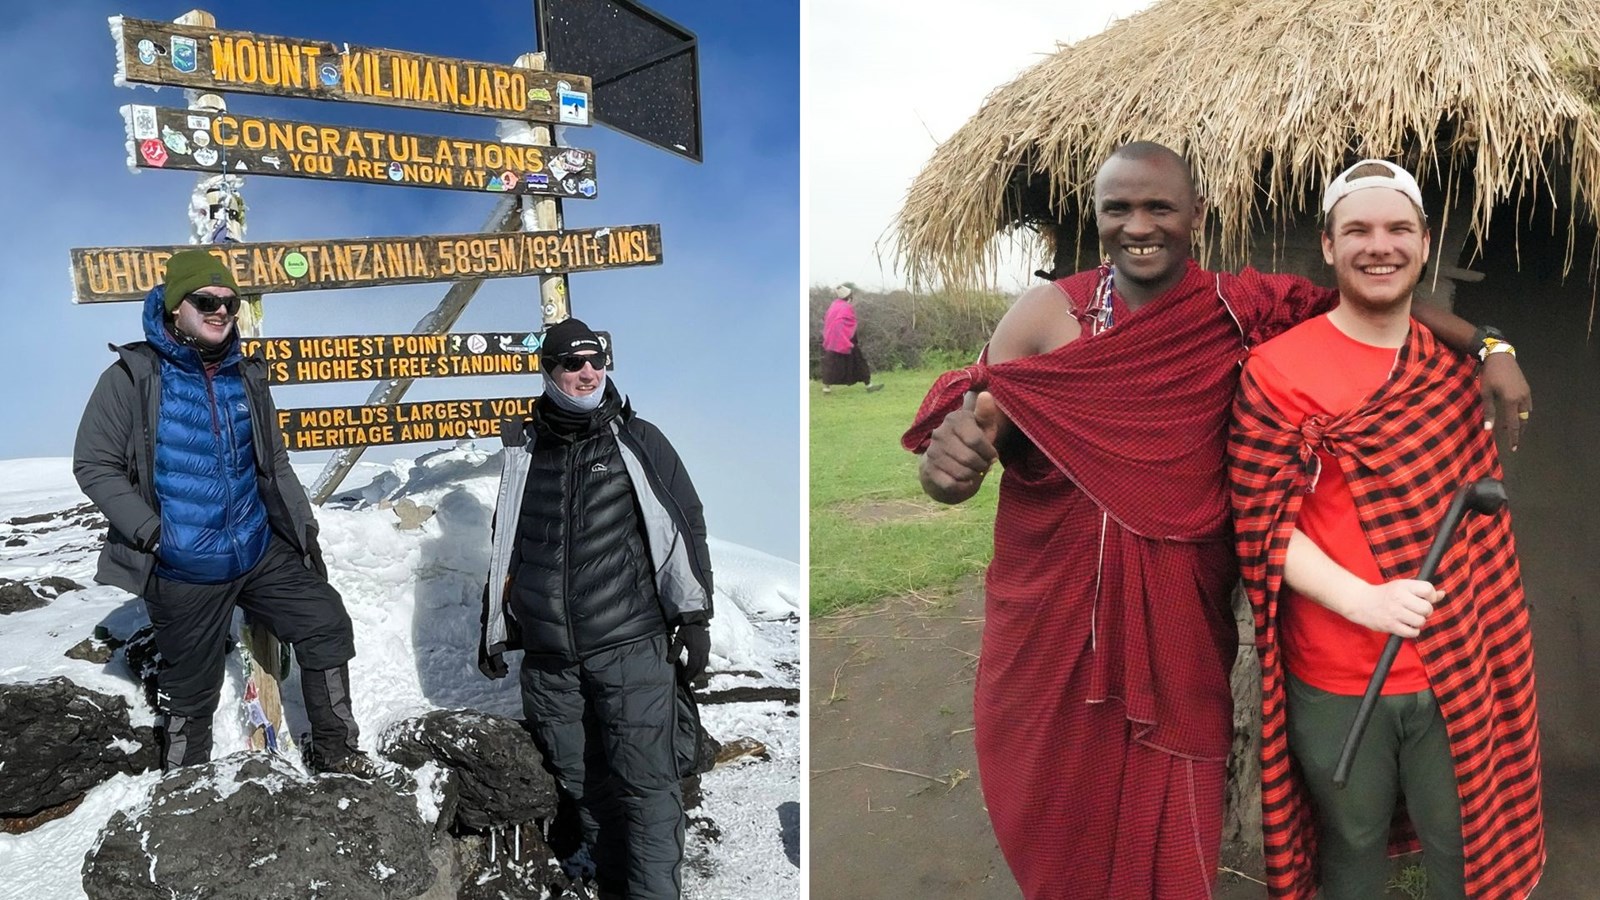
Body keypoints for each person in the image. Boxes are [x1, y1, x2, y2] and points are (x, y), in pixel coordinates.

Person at [902, 142, 1531, 898]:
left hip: (1179, 621)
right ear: (1096, 218)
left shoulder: (1239, 309)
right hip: (1057, 614)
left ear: (1196, 215)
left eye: (1159, 207)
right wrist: (949, 466)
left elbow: (1367, 292)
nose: (1140, 226)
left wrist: (1490, 344)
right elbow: (978, 426)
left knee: (1175, 807)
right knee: (1059, 803)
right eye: (1118, 209)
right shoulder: (1047, 317)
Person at [1228, 160, 1543, 899]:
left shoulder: (1456, 369)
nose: (1380, 246)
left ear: (1425, 243)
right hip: (1334, 674)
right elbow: (1260, 524)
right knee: (1352, 842)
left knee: (1466, 842)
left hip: (1458, 659)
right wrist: (1362, 601)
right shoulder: (1275, 371)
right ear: (1329, 245)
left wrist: (1494, 346)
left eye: (1399, 228)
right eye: (1358, 230)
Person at [73, 249, 374, 776]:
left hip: (255, 549)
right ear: (175, 306)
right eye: (206, 301)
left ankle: (338, 754)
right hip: (182, 565)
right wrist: (155, 536)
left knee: (325, 621)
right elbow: (94, 465)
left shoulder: (246, 375)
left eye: (230, 304)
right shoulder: (132, 376)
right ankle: (185, 786)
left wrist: (303, 532)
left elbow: (274, 462)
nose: (220, 312)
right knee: (192, 687)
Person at [478, 317, 714, 900]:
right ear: (548, 371)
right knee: (586, 790)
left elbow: (684, 526)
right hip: (551, 662)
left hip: (630, 646)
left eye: (596, 362)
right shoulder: (524, 450)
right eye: (573, 363)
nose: (587, 373)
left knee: (647, 788)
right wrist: (492, 628)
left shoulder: (637, 440)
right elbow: (508, 543)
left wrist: (693, 617)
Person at [820, 285, 883, 393]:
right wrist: (850, 339)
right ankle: (869, 385)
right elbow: (849, 324)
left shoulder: (834, 305)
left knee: (831, 362)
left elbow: (829, 321)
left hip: (832, 339)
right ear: (849, 296)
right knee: (859, 361)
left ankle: (826, 388)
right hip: (846, 338)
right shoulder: (846, 307)